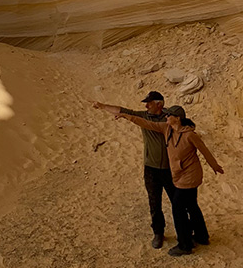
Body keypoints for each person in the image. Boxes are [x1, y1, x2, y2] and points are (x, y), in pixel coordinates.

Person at [117, 105, 224, 256]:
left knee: (178, 208)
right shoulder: (166, 129)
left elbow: (204, 150)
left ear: (178, 118)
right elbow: (146, 123)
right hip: (179, 176)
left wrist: (215, 166)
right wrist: (126, 116)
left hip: (190, 177)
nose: (166, 117)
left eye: (169, 115)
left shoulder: (189, 135)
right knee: (192, 205)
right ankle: (202, 236)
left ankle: (185, 245)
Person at [91, 91, 176, 248]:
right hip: (151, 168)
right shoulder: (144, 116)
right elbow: (122, 110)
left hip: (171, 169)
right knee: (154, 202)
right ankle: (158, 233)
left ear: (159, 104)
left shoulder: (171, 118)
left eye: (149, 103)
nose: (146, 105)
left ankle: (184, 231)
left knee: (177, 201)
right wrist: (102, 106)